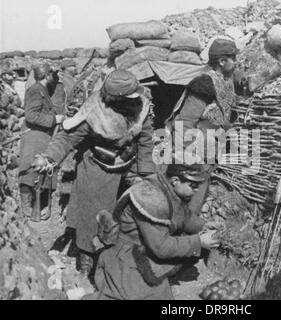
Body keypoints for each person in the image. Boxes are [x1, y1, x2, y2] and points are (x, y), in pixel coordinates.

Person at [32, 70, 155, 276]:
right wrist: (49, 157)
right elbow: (68, 138)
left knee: (134, 211)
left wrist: (145, 173)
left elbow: (145, 141)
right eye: (129, 98)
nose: (135, 101)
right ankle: (87, 255)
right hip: (98, 165)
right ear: (116, 99)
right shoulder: (94, 110)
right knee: (93, 214)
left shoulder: (141, 107)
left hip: (129, 163)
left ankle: (122, 255)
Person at [86, 162, 220, 300]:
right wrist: (198, 241)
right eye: (193, 185)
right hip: (126, 257)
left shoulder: (166, 186)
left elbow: (183, 216)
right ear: (175, 181)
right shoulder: (151, 199)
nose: (197, 189)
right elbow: (161, 248)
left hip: (144, 249)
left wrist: (203, 226)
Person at [166, 38, 239, 216]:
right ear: (222, 61)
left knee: (195, 200)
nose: (236, 63)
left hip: (209, 150)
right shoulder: (205, 83)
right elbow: (185, 121)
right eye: (233, 59)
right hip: (193, 152)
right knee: (180, 200)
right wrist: (182, 158)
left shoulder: (226, 80)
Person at [18, 64, 65, 220]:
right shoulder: (35, 90)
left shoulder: (42, 89)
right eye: (52, 75)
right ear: (46, 76)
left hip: (43, 134)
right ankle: (27, 205)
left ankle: (40, 205)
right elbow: (31, 115)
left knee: (45, 168)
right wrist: (53, 120)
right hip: (34, 135)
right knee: (29, 169)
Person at [0, 67, 23, 136]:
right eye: (9, 74)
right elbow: (4, 105)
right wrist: (16, 110)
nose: (11, 76)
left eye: (11, 74)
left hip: (15, 114)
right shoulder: (3, 88)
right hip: (8, 117)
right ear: (3, 76)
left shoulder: (11, 86)